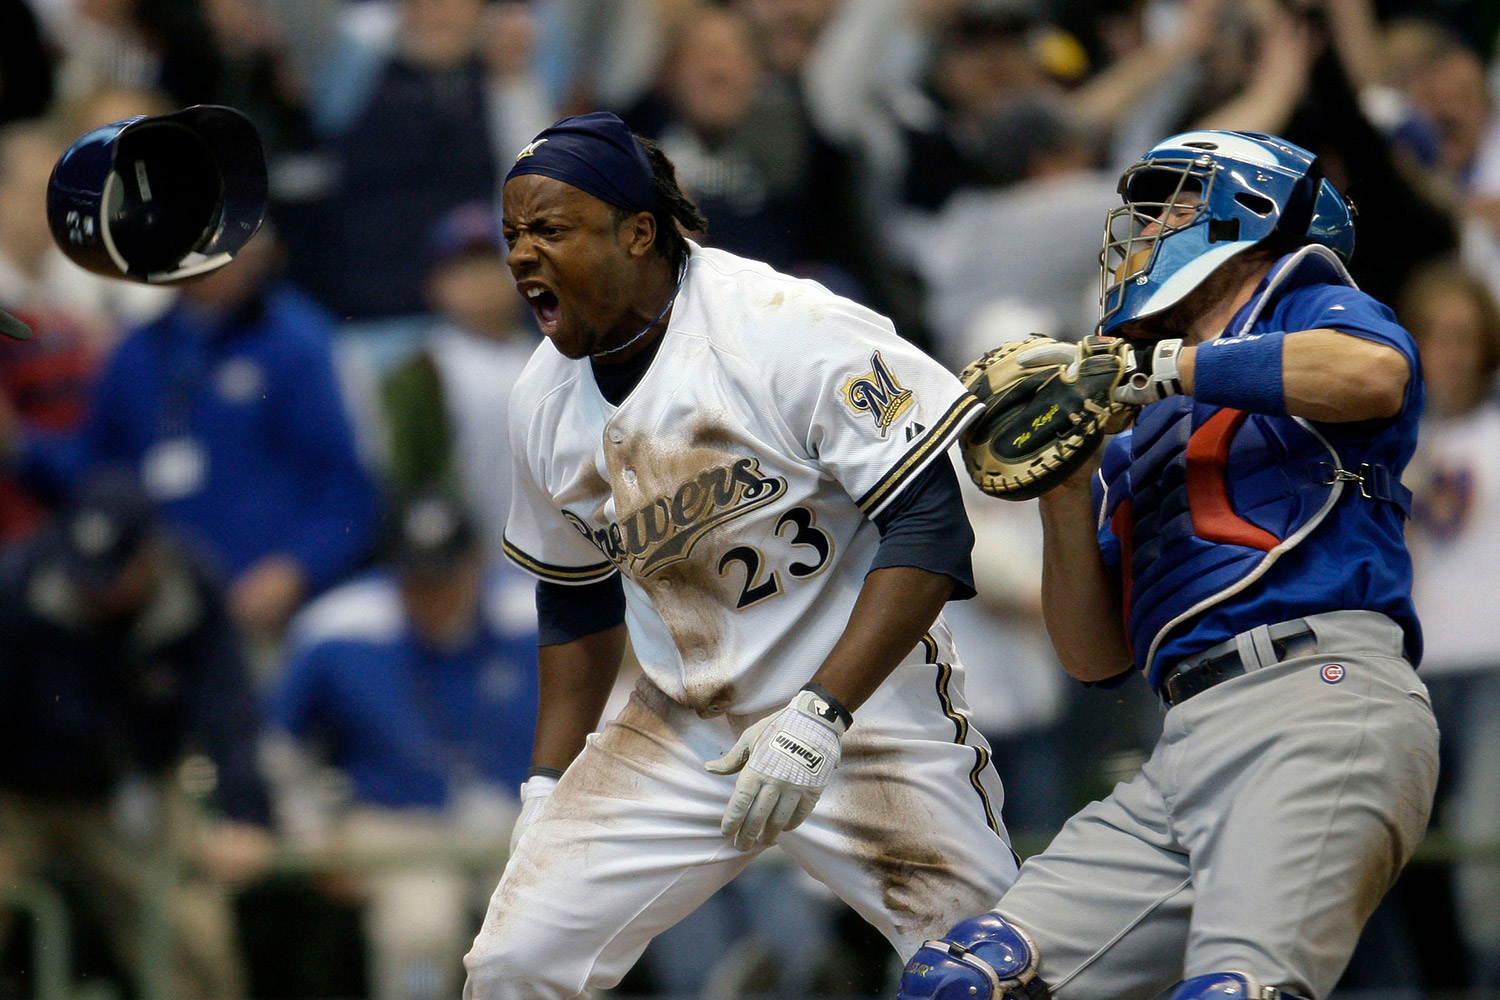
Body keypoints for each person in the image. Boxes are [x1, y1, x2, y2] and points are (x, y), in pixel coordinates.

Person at [462, 111, 1018, 999]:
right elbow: (573, 596)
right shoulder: (543, 397)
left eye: (551, 229)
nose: (521, 254)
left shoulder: (785, 325)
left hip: (860, 719)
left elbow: (931, 528)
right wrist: (544, 782)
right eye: (512, 235)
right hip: (679, 725)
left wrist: (819, 718)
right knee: (514, 965)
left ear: (639, 231)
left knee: (991, 974)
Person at [900, 130, 1440, 1000]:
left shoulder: (1299, 298)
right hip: (1182, 738)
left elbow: (1373, 374)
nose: (1142, 229)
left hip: (1320, 699)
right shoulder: (1141, 413)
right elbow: (1092, 655)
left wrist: (1158, 368)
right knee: (965, 984)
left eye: (1171, 203)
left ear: (1251, 209)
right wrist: (1064, 494)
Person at [7, 226, 379, 643]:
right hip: (168, 621)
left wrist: (295, 570)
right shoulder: (135, 352)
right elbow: (96, 477)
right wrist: (18, 444)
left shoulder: (301, 343)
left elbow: (350, 491)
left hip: (277, 619)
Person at [0, 467, 273, 1000]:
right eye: (85, 572)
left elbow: (229, 711)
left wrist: (244, 814)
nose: (94, 589)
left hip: (135, 787)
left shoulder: (192, 585)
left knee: (196, 940)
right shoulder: (17, 586)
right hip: (16, 795)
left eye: (112, 573)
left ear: (149, 555)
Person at [265, 490, 540, 1000]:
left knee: (547, 931)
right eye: (416, 580)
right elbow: (281, 747)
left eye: (443, 578)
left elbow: (608, 716)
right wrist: (310, 833)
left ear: (475, 567)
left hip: (522, 818)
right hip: (398, 824)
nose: (430, 596)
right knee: (421, 933)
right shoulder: (338, 629)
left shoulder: (535, 614)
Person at [1399, 262, 1500, 991]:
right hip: (1412, 672)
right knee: (1396, 855)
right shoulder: (1383, 444)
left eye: (1464, 338)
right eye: (1432, 337)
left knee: (1482, 861)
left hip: (1494, 669)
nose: (1449, 354)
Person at [381, 202, 539, 557]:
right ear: (435, 285)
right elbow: (410, 482)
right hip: (466, 565)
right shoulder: (422, 371)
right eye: (462, 270)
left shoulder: (557, 358)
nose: (480, 282)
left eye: (490, 266)